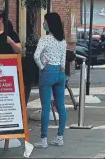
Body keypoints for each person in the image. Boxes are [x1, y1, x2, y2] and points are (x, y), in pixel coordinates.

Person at [33, 12, 67, 148]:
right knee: (61, 106)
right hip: (60, 72)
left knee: (46, 107)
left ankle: (43, 140)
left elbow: (36, 56)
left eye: (45, 21)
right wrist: (62, 70)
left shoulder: (45, 39)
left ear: (49, 24)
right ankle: (60, 137)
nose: (44, 24)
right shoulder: (63, 41)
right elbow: (63, 61)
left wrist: (42, 66)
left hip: (48, 72)